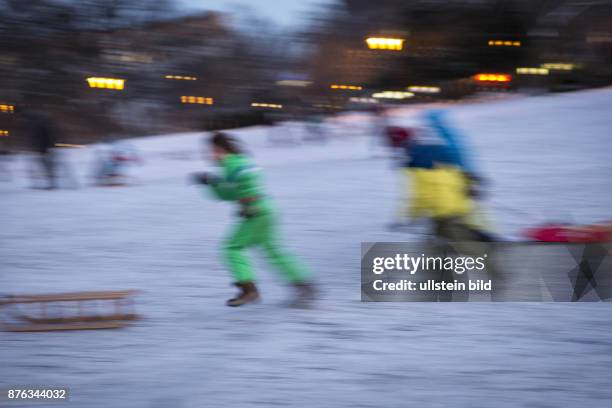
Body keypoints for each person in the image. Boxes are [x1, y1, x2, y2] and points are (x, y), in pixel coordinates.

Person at [190, 132, 315, 307]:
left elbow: (241, 185)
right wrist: (211, 182)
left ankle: (249, 290)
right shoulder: (237, 162)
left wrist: (248, 202)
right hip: (267, 209)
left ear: (220, 150)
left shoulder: (233, 164)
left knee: (233, 247)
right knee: (274, 251)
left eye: (211, 151)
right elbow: (231, 191)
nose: (209, 155)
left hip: (257, 211)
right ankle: (305, 286)